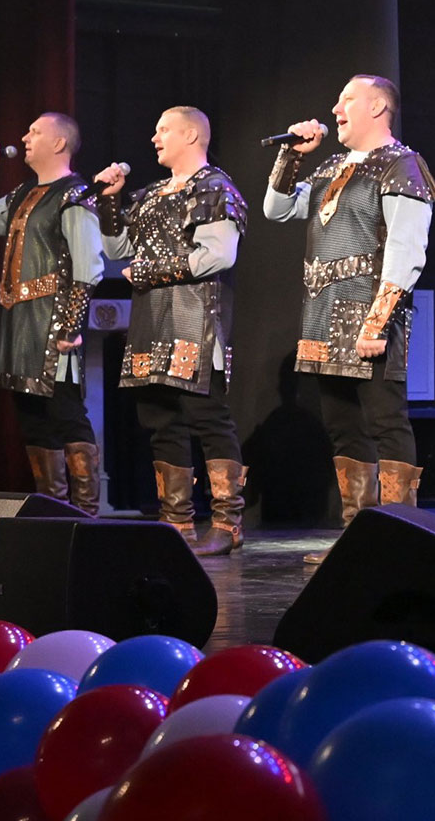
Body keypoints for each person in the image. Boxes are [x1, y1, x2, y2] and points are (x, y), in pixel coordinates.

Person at [264, 75, 435, 562]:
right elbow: (277, 208)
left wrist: (378, 321)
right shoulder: (332, 167)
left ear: (378, 107)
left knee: (385, 420)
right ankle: (357, 537)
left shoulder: (401, 165)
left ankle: (401, 539)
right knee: (343, 425)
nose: (336, 109)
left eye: (347, 100)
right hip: (324, 313)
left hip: (369, 313)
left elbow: (406, 248)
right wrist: (292, 155)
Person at [94, 107, 249, 554]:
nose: (154, 138)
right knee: (160, 419)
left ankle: (227, 523)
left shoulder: (214, 187)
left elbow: (219, 255)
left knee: (207, 417)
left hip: (195, 319)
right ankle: (176, 521)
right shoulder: (150, 194)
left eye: (164, 130)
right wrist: (109, 201)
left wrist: (149, 271)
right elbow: (117, 249)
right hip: (152, 321)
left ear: (191, 135)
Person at [0, 113, 102, 512]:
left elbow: (88, 265)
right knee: (33, 418)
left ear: (59, 144)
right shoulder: (22, 194)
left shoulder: (75, 195)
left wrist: (71, 324)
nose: (25, 137)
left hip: (53, 323)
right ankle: (54, 511)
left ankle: (85, 514)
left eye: (35, 132)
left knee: (65, 413)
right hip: (20, 325)